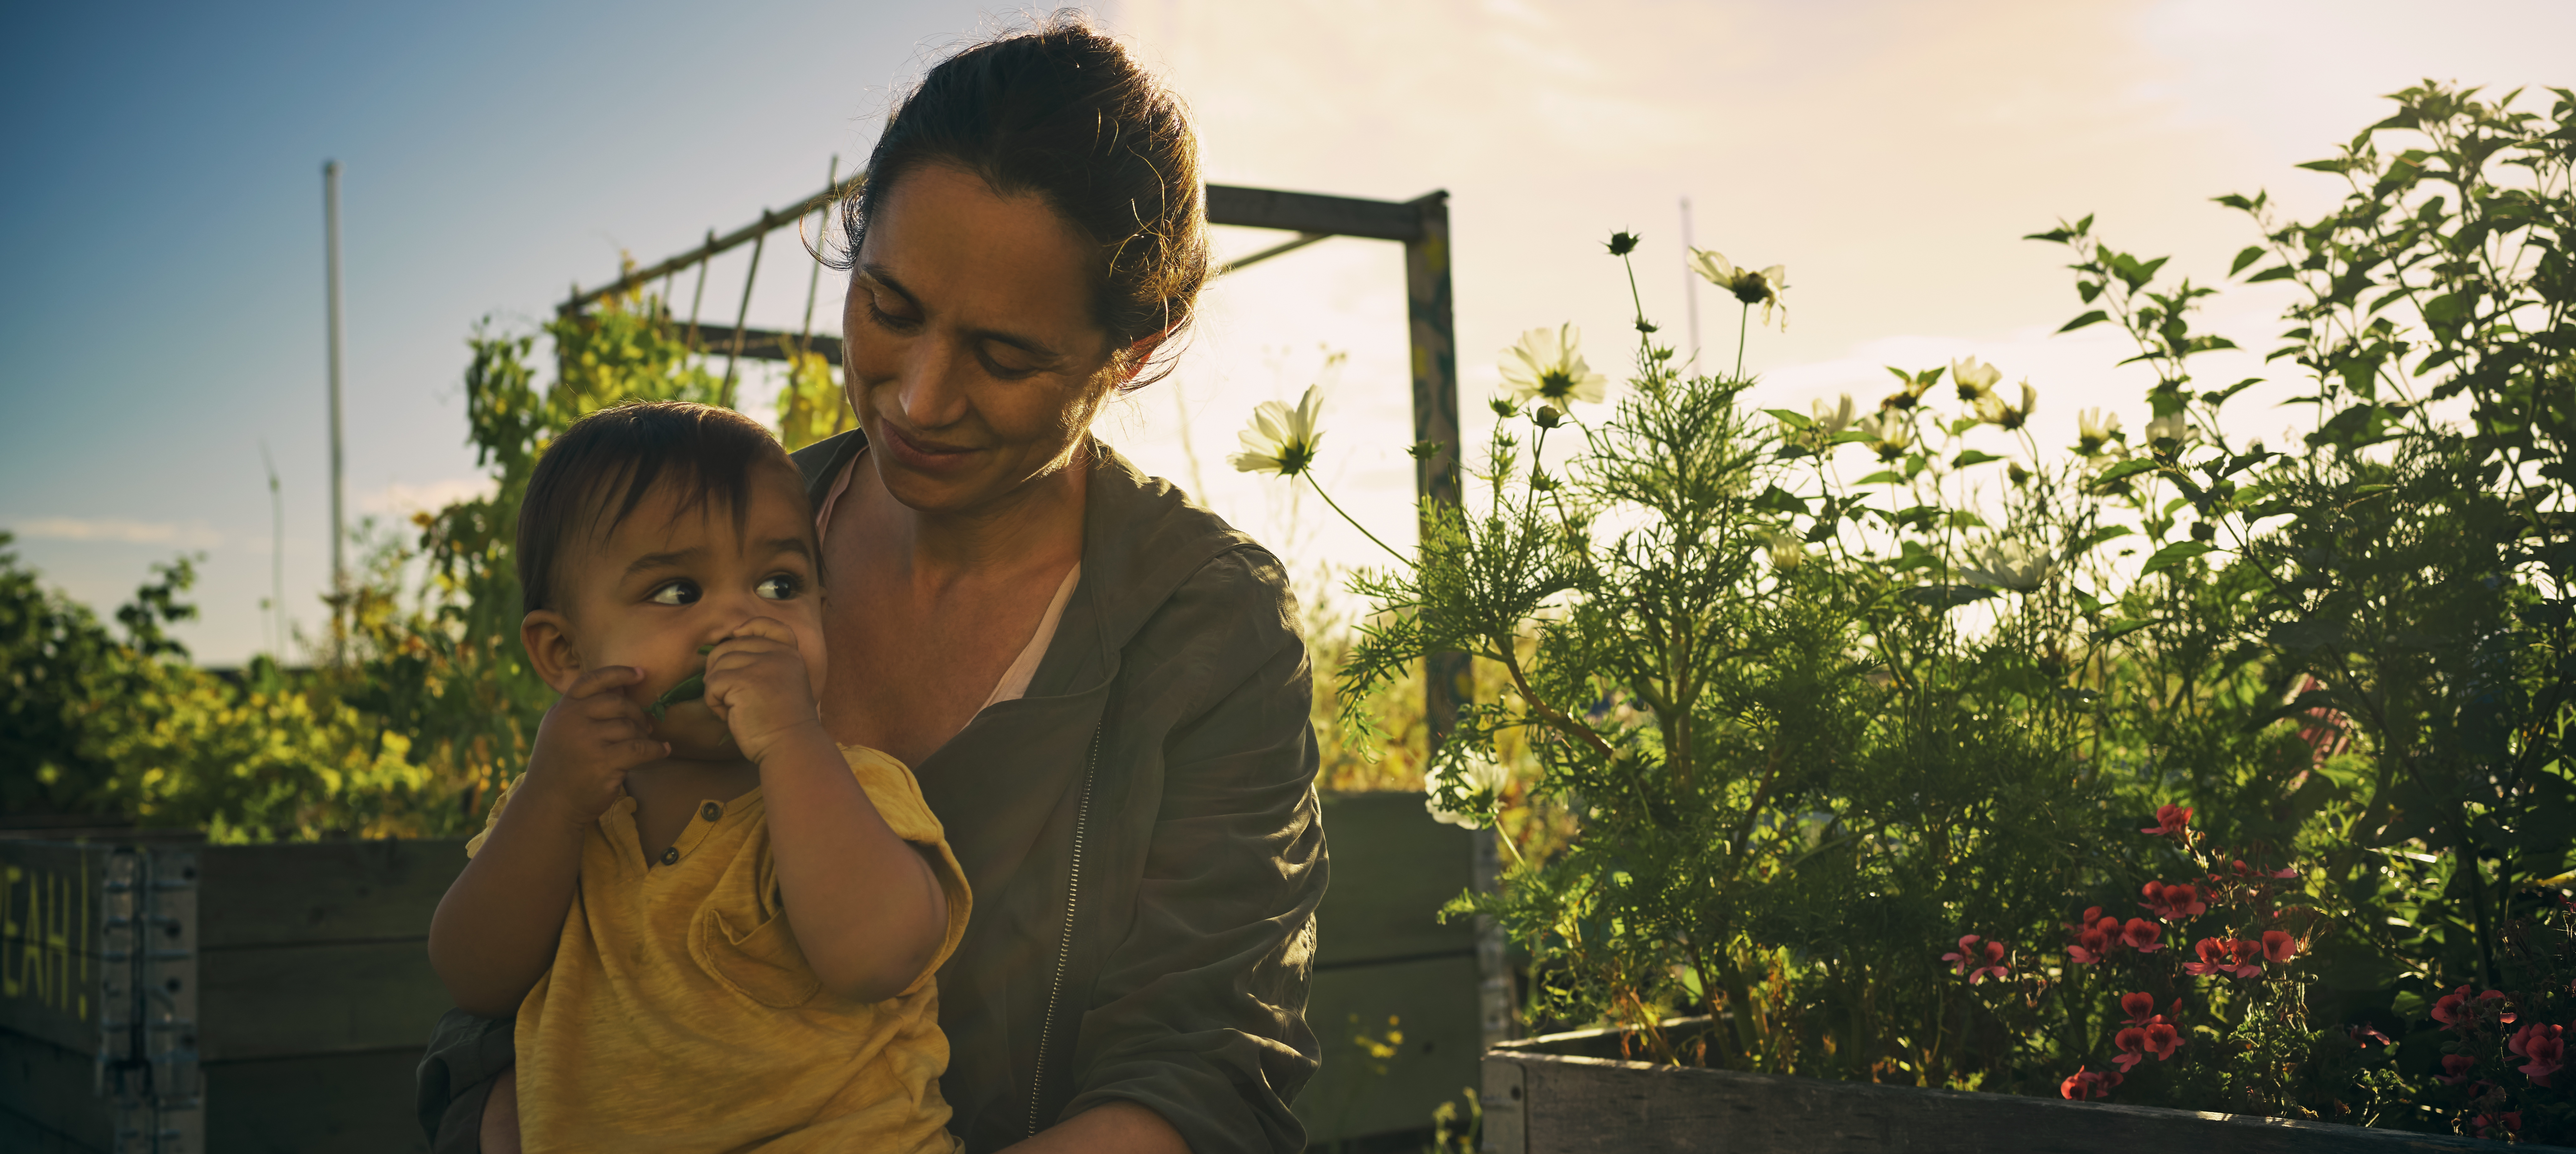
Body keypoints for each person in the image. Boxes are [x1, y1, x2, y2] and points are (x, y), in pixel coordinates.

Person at [418, 15, 1328, 1154]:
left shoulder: (1202, 623)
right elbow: (516, 972)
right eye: (889, 309)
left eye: (1002, 356)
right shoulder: (703, 550)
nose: (918, 399)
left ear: (1132, 350)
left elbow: (1207, 1067)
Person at [426, 401, 971, 1153]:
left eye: (779, 586)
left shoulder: (855, 790)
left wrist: (789, 740)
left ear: (824, 607)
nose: (738, 623)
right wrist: (550, 803)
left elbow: (881, 956)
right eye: (678, 592)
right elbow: (473, 975)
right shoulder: (565, 813)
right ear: (565, 652)